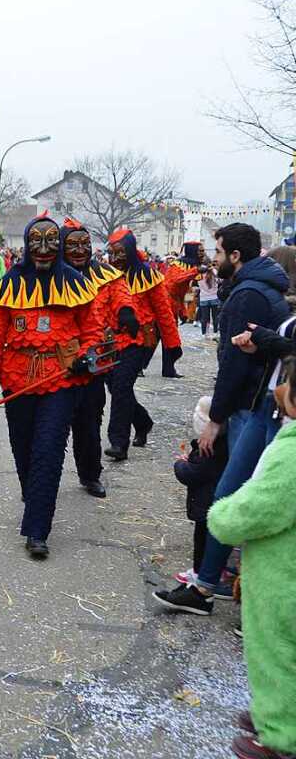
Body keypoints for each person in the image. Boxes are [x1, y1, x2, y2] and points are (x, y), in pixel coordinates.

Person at [154, 224, 290, 614]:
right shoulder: (264, 288)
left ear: (235, 256)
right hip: (257, 403)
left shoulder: (248, 293)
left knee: (232, 498)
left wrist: (216, 417)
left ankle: (220, 587)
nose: (212, 259)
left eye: (217, 252)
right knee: (230, 497)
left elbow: (232, 363)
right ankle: (206, 585)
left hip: (255, 407)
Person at [0, 214, 102, 558]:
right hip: (17, 383)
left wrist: (87, 355)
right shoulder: (9, 283)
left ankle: (38, 530)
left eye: (51, 241)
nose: (43, 249)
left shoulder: (75, 282)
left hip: (61, 381)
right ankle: (35, 495)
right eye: (36, 242)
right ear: (26, 245)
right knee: (24, 449)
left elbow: (92, 331)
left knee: (49, 451)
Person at [208, 355, 296, 759]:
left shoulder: (291, 454)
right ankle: (274, 712)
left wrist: (222, 517)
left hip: (283, 578)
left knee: (275, 651)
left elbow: (261, 506)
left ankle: (279, 735)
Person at [60, 217, 134, 498]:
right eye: (73, 245)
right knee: (51, 426)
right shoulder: (51, 277)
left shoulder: (106, 275)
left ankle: (90, 474)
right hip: (59, 362)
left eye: (85, 244)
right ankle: (38, 479)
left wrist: (127, 311)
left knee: (89, 422)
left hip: (92, 362)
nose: (80, 250)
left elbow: (121, 293)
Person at [103, 228, 181, 461]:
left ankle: (118, 442)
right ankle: (143, 421)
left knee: (121, 387)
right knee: (116, 387)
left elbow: (164, 313)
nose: (115, 258)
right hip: (111, 343)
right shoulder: (107, 276)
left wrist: (172, 344)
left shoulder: (149, 276)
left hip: (140, 342)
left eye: (120, 253)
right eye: (112, 253)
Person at [172, 396, 229, 585]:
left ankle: (200, 573)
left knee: (202, 542)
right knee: (215, 539)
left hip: (205, 505)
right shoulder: (224, 446)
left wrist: (180, 464)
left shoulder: (208, 451)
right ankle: (217, 570)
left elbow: (192, 474)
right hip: (213, 502)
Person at [159, 240, 202, 377]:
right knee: (158, 338)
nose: (202, 253)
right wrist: (196, 271)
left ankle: (168, 369)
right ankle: (139, 367)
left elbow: (182, 291)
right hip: (164, 304)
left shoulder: (189, 265)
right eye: (200, 251)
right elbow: (176, 280)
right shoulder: (177, 265)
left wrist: (182, 311)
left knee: (167, 339)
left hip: (173, 303)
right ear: (193, 251)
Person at [198, 265, 221, 338]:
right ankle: (215, 332)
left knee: (204, 317)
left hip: (203, 298)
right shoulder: (214, 272)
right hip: (214, 297)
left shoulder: (199, 275)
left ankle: (204, 333)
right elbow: (220, 281)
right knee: (215, 316)